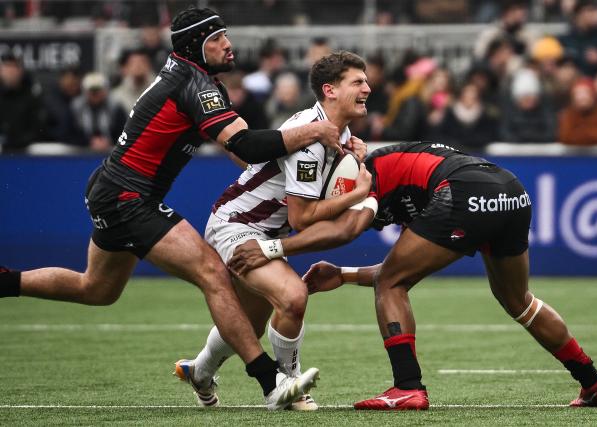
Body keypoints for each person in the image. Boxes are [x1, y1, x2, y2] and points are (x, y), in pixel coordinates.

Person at [0, 6, 344, 410]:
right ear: (195, 45)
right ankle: (272, 385)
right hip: (129, 196)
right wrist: (316, 131)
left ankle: (5, 282)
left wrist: (280, 173)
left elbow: (242, 152)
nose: (227, 44)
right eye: (216, 39)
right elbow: (247, 145)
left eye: (225, 35)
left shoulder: (193, 79)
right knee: (213, 272)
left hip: (113, 189)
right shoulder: (197, 86)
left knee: (96, 289)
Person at [228, 141, 597, 410]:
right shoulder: (391, 176)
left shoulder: (362, 181)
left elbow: (348, 237)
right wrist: (344, 275)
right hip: (510, 190)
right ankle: (593, 380)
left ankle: (408, 388)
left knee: (391, 284)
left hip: (465, 191)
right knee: (519, 301)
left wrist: (273, 247)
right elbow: (405, 267)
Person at [174, 51, 372, 411]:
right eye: (357, 82)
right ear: (329, 90)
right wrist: (358, 193)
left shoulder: (338, 133)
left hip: (262, 231)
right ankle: (286, 388)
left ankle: (199, 371)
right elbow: (301, 217)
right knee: (293, 296)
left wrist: (353, 158)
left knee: (247, 320)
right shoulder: (311, 137)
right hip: (236, 225)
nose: (367, 88)